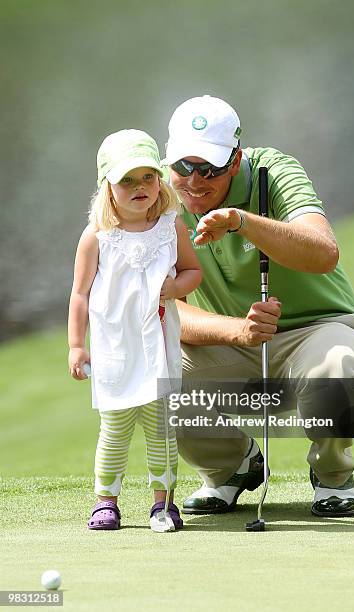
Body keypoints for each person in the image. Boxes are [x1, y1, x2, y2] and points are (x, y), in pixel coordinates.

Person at [162, 95, 354, 517]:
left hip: (317, 330)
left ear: (235, 159)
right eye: (183, 167)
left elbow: (323, 252)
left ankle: (333, 475)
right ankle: (231, 469)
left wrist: (241, 221)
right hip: (235, 341)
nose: (194, 181)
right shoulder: (159, 198)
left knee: (338, 367)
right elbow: (167, 308)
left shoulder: (272, 171)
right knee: (158, 373)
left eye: (209, 168)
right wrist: (237, 331)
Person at [68, 129, 201, 532]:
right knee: (115, 431)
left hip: (158, 348)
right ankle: (106, 501)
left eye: (147, 177)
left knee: (162, 432)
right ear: (108, 187)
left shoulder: (170, 227)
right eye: (126, 180)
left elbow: (193, 272)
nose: (139, 187)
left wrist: (174, 288)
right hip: (115, 353)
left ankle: (163, 504)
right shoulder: (97, 237)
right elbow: (79, 295)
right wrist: (77, 345)